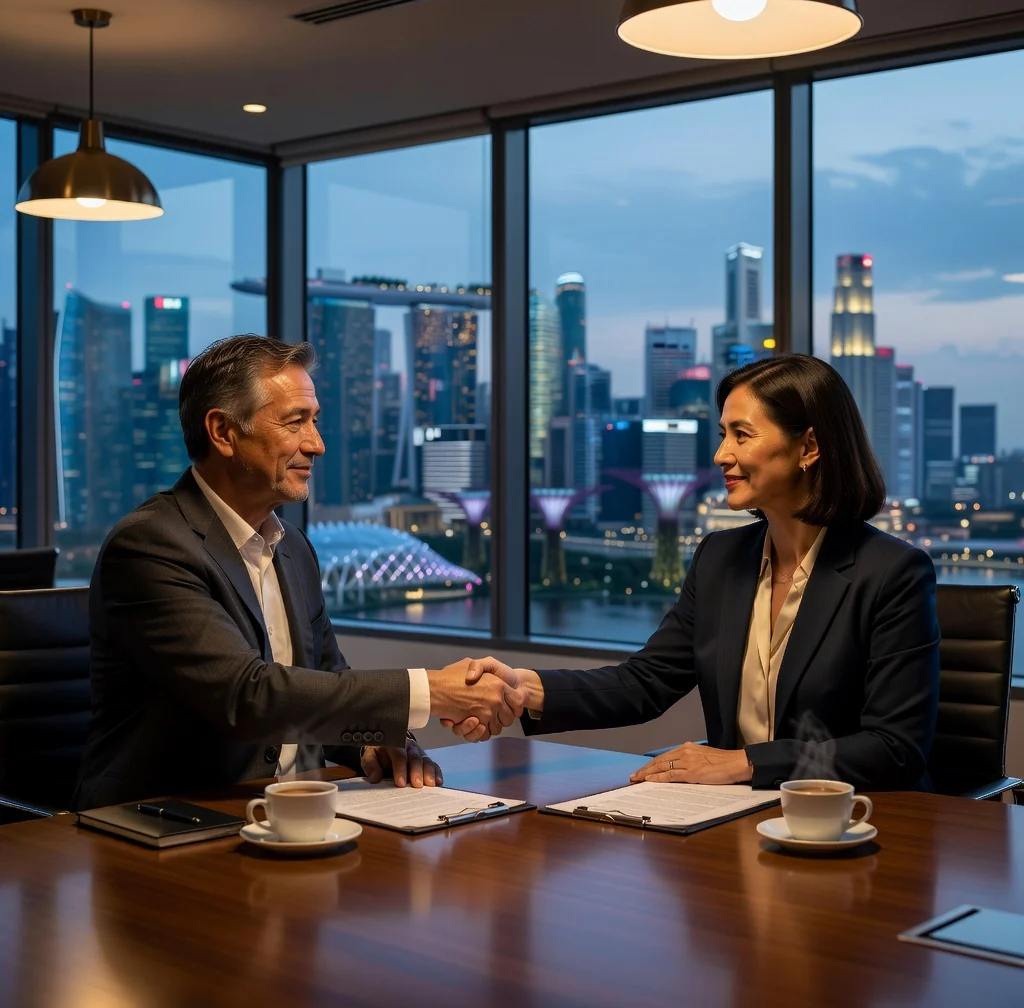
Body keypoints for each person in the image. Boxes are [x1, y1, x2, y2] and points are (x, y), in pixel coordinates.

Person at [449, 355, 941, 791]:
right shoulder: (721, 559)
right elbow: (646, 683)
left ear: (808, 447)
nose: (721, 454)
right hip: (733, 819)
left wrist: (743, 763)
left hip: (857, 827)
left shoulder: (892, 574)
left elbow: (894, 748)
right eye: (723, 434)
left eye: (741, 435)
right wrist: (524, 687)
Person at [73, 335, 519, 810]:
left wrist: (369, 745)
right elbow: (248, 698)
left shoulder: (294, 549)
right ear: (223, 432)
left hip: (294, 817)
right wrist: (431, 690)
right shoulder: (151, 545)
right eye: (295, 423)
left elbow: (325, 679)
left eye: (315, 421)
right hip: (171, 826)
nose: (318, 444)